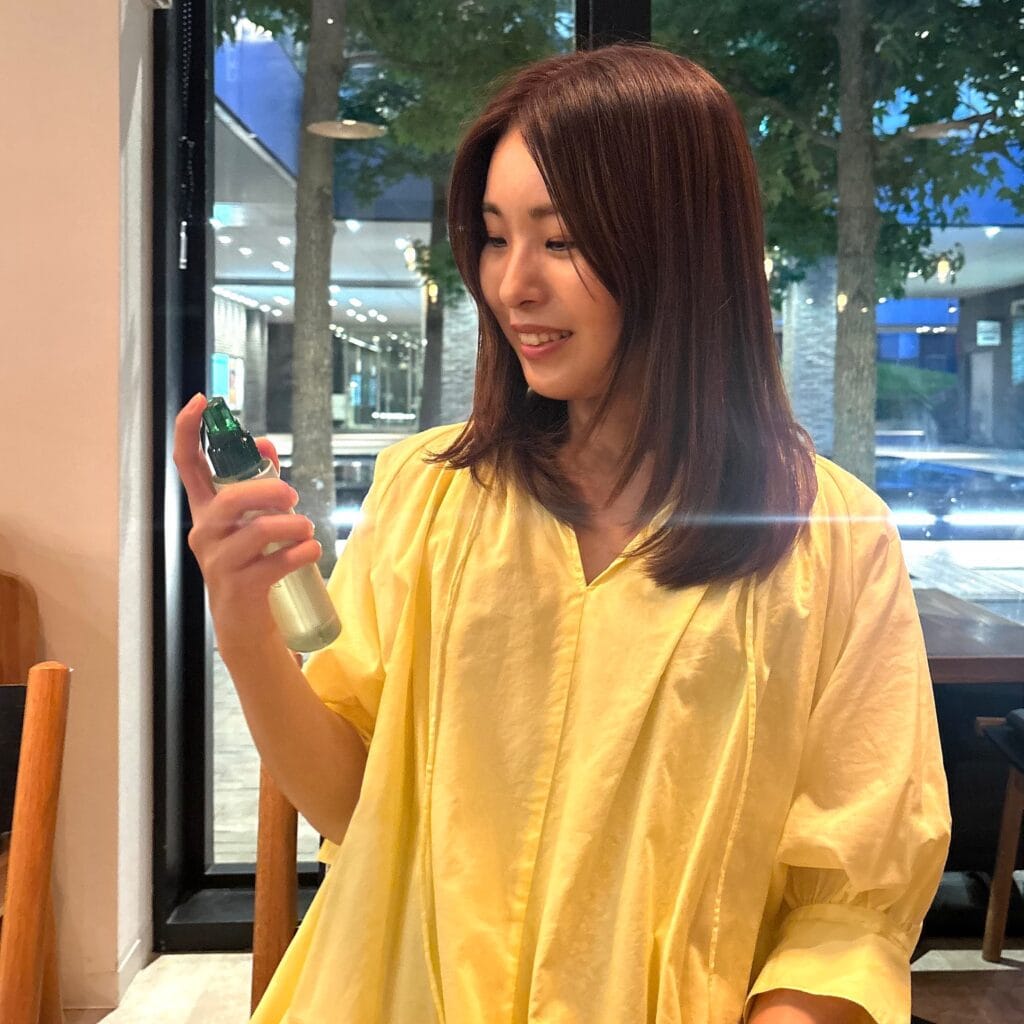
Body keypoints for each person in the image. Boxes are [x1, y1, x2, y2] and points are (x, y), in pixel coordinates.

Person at [174, 43, 950, 1024]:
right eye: (496, 237)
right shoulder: (428, 495)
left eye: (563, 239)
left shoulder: (830, 539)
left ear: (682, 249)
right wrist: (245, 625)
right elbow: (357, 805)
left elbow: (848, 913)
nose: (512, 285)